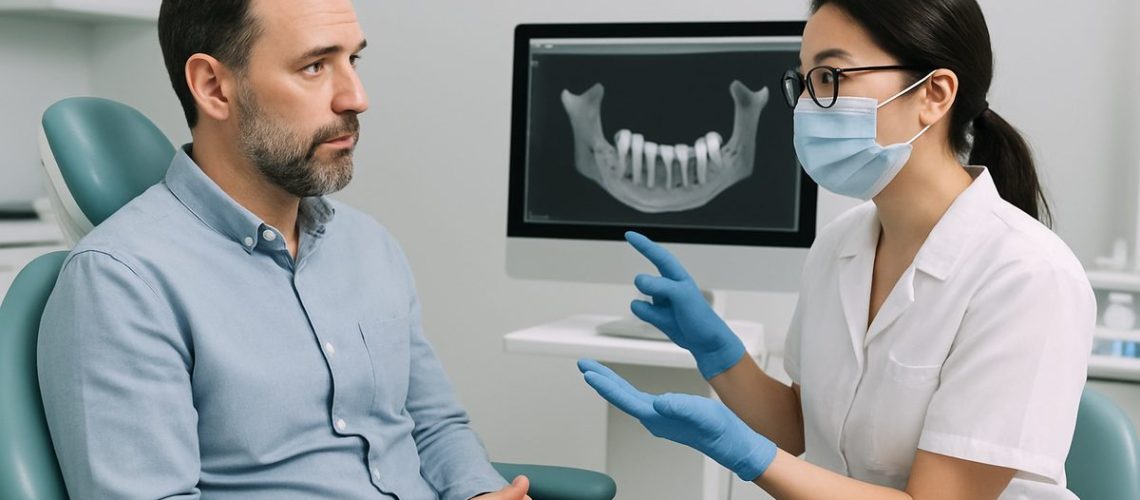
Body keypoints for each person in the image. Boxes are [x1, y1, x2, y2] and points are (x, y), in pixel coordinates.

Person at [577, 0, 1094, 498]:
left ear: (934, 93)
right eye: (802, 83)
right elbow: (805, 430)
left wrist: (749, 457)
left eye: (829, 79)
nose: (805, 106)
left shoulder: (1028, 276)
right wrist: (719, 354)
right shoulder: (841, 244)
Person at [36, 1, 530, 499]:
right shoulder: (121, 282)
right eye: (314, 66)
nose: (356, 98)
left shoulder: (369, 245)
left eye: (352, 61)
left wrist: (478, 491)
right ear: (213, 87)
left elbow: (433, 425)